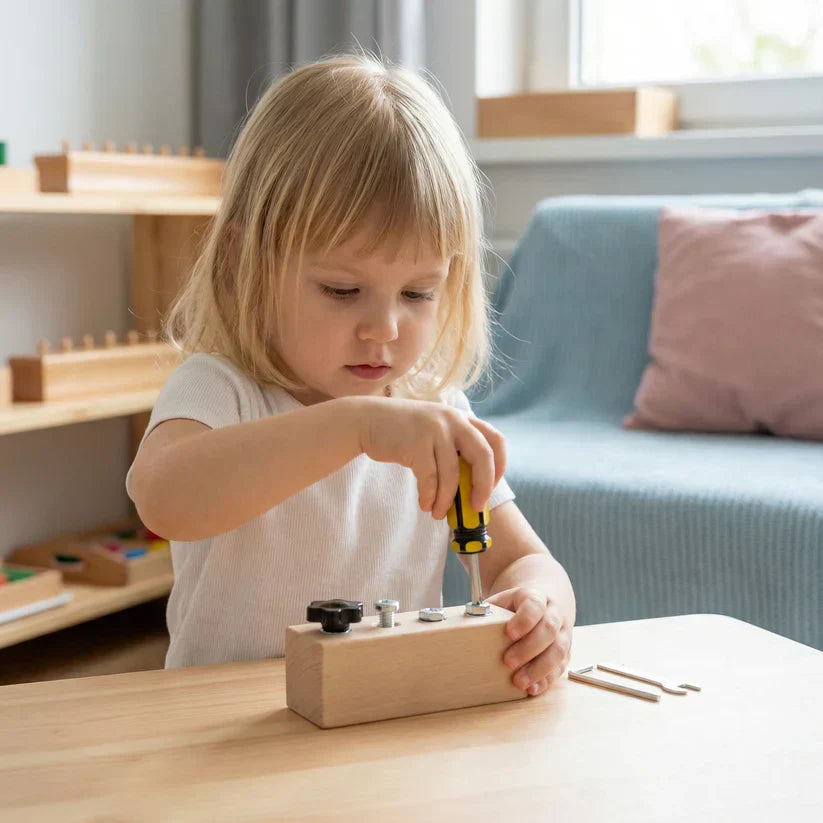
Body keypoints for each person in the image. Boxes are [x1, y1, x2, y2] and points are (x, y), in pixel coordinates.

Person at [127, 53, 575, 697]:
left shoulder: (436, 411)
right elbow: (164, 499)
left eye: (419, 293)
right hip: (219, 732)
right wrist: (355, 427)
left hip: (377, 716)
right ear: (242, 262)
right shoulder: (220, 387)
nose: (384, 328)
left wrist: (543, 605)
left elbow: (521, 557)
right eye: (342, 290)